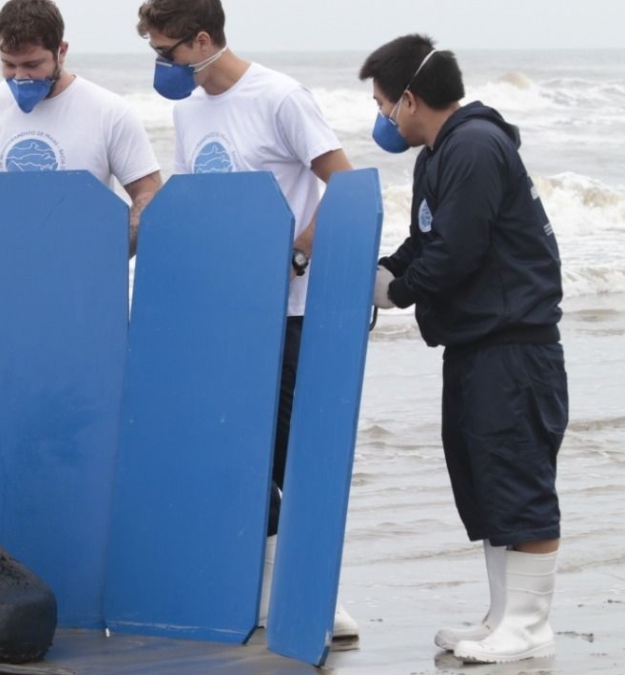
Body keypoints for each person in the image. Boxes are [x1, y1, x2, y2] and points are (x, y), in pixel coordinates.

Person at [135, 0, 358, 644]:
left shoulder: (281, 97)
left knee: (290, 454)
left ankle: (321, 596)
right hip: (219, 314)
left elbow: (342, 183)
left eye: (167, 51)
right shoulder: (186, 109)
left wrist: (292, 256)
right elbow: (201, 204)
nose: (162, 65)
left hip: (286, 312)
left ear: (203, 39)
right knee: (238, 454)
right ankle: (261, 595)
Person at [361, 35, 567, 664]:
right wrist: (378, 270)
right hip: (476, 345)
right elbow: (426, 240)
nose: (382, 118)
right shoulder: (440, 153)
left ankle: (530, 625)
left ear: (411, 99)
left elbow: (458, 252)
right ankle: (503, 617)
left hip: (513, 347)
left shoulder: (474, 147)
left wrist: (399, 294)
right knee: (485, 483)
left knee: (517, 480)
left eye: (382, 103)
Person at [0, 0, 162, 257]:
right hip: (2, 269)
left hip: (83, 276)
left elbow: (149, 192)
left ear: (61, 51)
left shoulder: (109, 111)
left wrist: (113, 252)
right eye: (9, 64)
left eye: (32, 65)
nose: (20, 76)